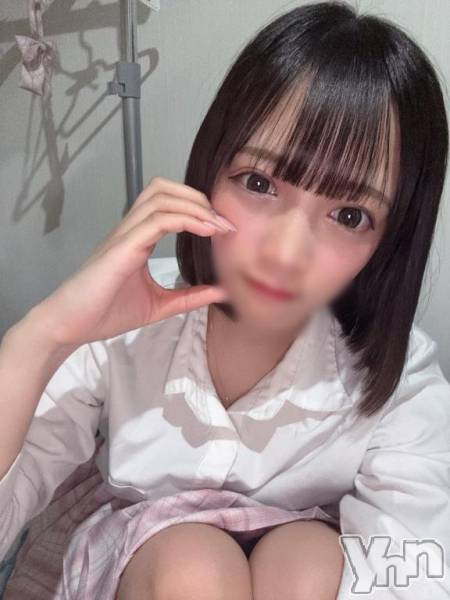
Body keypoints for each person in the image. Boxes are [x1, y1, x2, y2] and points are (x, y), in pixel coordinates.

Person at [1, 1, 449, 598]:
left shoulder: (399, 374)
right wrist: (40, 336)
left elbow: (416, 568)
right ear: (211, 167)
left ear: (390, 241)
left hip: (301, 570)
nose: (286, 253)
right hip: (140, 564)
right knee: (194, 566)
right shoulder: (123, 316)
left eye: (349, 215)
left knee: (309, 560)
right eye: (260, 183)